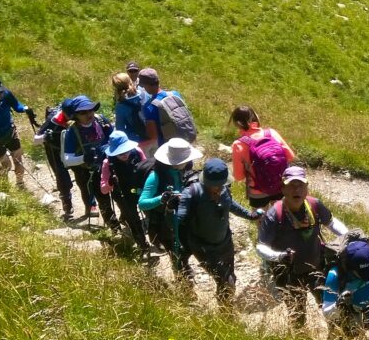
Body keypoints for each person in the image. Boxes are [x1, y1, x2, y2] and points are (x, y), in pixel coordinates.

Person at [256, 165, 347, 324]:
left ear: (307, 188)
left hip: (316, 268)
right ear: (283, 189)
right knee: (297, 316)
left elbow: (331, 223)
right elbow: (261, 247)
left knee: (329, 306)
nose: (296, 190)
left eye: (300, 185)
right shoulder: (274, 215)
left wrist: (349, 237)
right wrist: (278, 256)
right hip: (289, 274)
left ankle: (336, 336)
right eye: (291, 185)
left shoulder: (314, 205)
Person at [176, 158, 262, 303]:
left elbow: (231, 205)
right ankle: (225, 315)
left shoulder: (224, 190)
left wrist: (251, 215)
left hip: (225, 243)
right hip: (203, 247)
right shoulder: (191, 193)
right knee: (226, 283)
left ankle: (224, 308)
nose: (218, 188)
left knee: (230, 278)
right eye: (214, 185)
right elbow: (179, 218)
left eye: (221, 184)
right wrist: (171, 207)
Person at [138, 137, 203, 274]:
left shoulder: (186, 170)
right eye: (183, 160)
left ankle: (183, 266)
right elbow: (142, 203)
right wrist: (162, 198)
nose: (187, 162)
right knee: (174, 251)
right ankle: (180, 273)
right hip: (164, 224)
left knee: (185, 246)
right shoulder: (155, 176)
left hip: (183, 219)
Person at [60, 96, 118, 229]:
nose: (88, 114)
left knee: (118, 195)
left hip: (109, 165)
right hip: (90, 171)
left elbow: (114, 137)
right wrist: (84, 159)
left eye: (90, 110)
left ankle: (126, 218)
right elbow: (67, 159)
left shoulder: (101, 120)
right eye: (83, 112)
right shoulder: (72, 132)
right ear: (75, 115)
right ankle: (114, 228)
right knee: (103, 200)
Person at [229, 106, 296, 208]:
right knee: (279, 217)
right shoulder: (271, 133)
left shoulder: (238, 144)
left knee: (261, 221)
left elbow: (239, 177)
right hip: (279, 185)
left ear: (237, 124)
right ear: (255, 117)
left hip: (257, 191)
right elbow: (290, 156)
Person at [322, 234, 369, 334]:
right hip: (353, 316)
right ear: (350, 269)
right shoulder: (335, 275)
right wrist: (340, 304)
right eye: (364, 274)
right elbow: (327, 312)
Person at [103, 130, 153, 255]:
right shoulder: (108, 163)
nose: (125, 154)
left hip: (140, 190)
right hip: (122, 195)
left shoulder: (138, 152)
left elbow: (146, 168)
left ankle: (156, 238)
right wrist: (110, 182)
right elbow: (103, 189)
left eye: (126, 150)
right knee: (133, 220)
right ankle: (142, 244)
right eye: (120, 153)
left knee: (151, 214)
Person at [33, 97, 78, 221]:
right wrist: (46, 137)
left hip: (72, 148)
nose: (70, 118)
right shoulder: (52, 120)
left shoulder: (79, 114)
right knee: (62, 176)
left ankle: (91, 204)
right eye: (68, 115)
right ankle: (67, 205)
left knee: (82, 175)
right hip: (55, 150)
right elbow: (35, 140)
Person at [137, 68, 188, 150]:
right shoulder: (174, 94)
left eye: (143, 86)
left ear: (145, 85)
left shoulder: (149, 106)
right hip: (184, 137)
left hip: (167, 146)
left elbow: (153, 136)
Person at [112, 72, 149, 148]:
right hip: (153, 134)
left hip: (137, 141)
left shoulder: (121, 106)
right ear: (130, 81)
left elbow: (120, 129)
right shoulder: (144, 93)